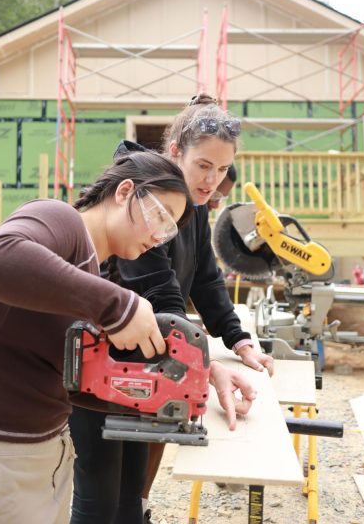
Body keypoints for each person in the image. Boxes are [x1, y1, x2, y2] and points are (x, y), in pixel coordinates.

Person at [69, 93, 273, 524]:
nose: (212, 181)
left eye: (221, 171)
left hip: (150, 356)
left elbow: (205, 279)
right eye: (203, 166)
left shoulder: (194, 206)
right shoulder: (149, 203)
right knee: (98, 491)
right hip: (103, 358)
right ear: (175, 150)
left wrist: (238, 341)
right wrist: (200, 361)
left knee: (132, 488)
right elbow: (160, 292)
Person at [0, 150, 194, 524]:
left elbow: (70, 380)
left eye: (169, 230)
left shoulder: (94, 274)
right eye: (160, 216)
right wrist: (119, 307)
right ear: (125, 191)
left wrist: (168, 390)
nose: (159, 238)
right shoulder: (61, 221)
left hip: (43, 455)